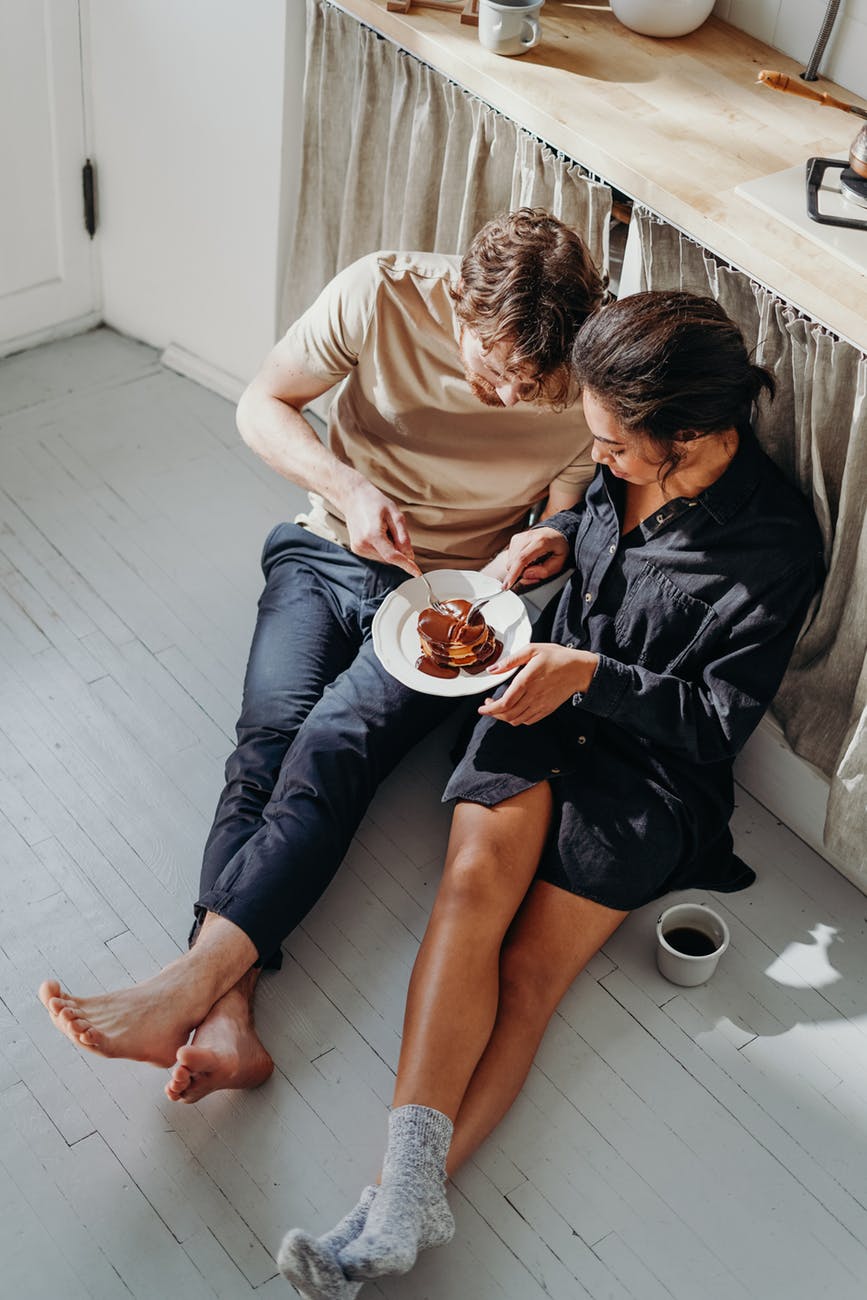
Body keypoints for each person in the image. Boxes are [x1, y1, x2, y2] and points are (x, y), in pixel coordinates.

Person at [276, 291, 824, 1300]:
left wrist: (593, 676)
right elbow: (597, 547)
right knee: (471, 886)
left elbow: (715, 721)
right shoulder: (619, 469)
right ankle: (405, 1194)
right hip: (538, 691)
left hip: (653, 762)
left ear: (691, 437)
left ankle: (396, 1206)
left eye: (614, 448)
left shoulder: (777, 544)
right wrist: (563, 532)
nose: (598, 456)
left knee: (530, 973)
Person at [37, 209, 607, 1102]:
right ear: (457, 301)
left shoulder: (580, 379)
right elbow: (260, 402)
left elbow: (568, 513)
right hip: (326, 547)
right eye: (490, 370)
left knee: (334, 743)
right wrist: (347, 485)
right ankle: (225, 1020)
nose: (501, 400)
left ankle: (185, 986)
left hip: (447, 602)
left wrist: (541, 544)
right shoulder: (378, 290)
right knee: (264, 740)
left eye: (524, 388)